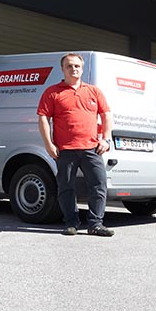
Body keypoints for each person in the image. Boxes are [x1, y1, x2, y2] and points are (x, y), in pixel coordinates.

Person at [37, 53, 115, 237]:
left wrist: (106, 139)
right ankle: (71, 223)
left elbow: (106, 115)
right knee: (66, 187)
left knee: (99, 185)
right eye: (69, 66)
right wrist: (48, 144)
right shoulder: (52, 92)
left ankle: (95, 224)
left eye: (77, 66)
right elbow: (43, 118)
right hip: (65, 150)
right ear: (63, 69)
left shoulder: (94, 91)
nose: (74, 69)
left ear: (82, 68)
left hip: (92, 148)